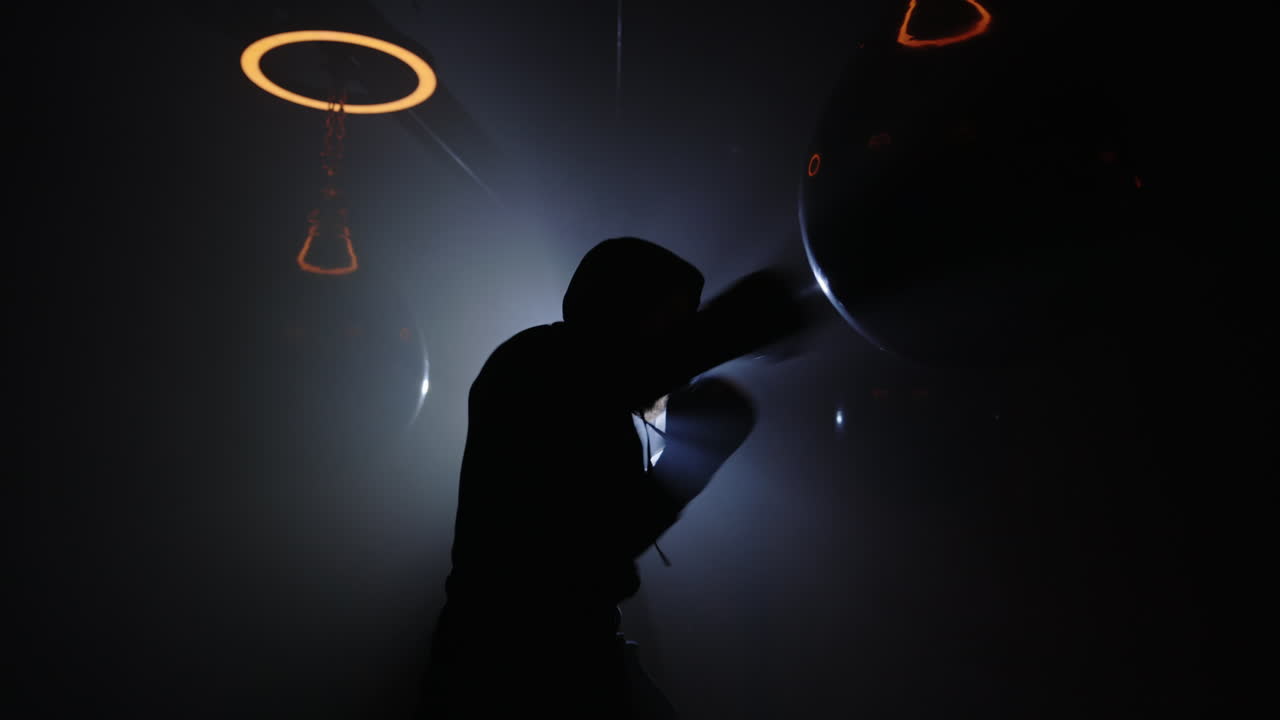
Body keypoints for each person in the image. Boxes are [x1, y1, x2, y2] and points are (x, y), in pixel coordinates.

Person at [421, 237, 818, 718]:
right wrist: (749, 318)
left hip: (552, 649)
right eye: (671, 317)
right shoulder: (540, 362)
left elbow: (605, 534)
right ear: (623, 308)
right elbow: (600, 536)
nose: (678, 332)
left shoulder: (583, 383)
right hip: (511, 661)